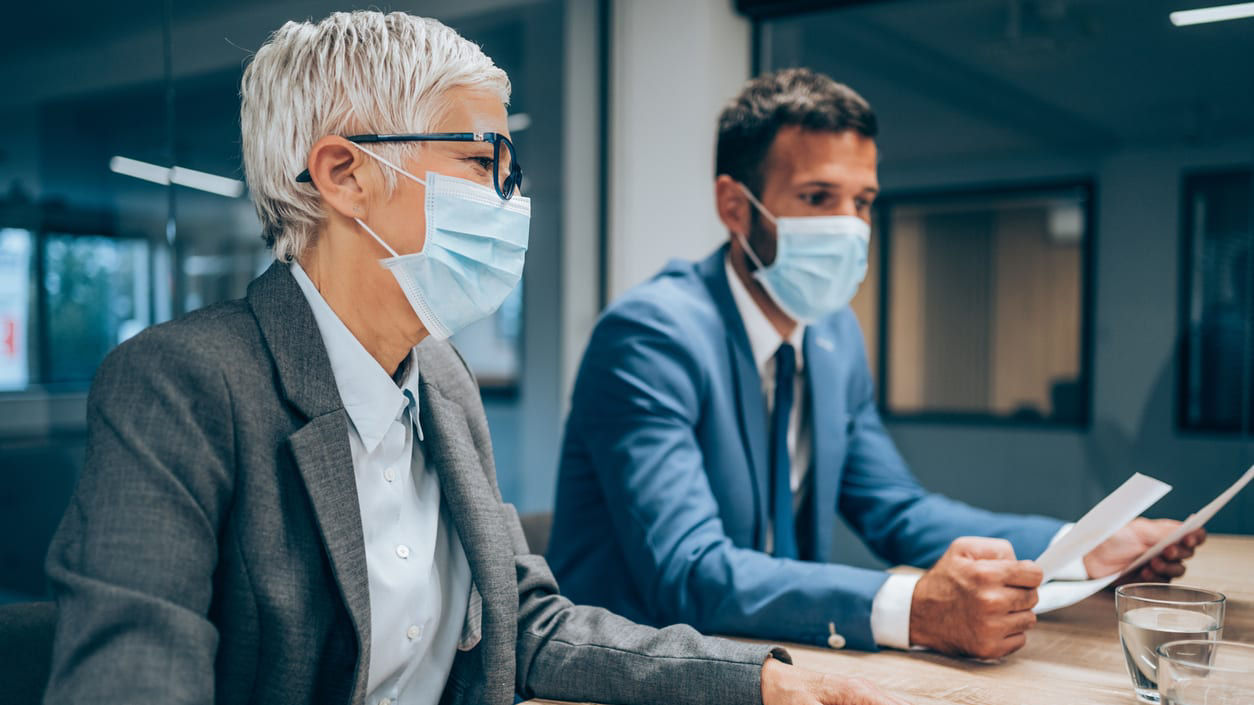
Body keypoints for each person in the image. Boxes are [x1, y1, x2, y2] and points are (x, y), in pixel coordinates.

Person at [41, 16, 909, 705]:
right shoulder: (179, 385)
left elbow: (525, 623)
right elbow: (133, 675)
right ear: (343, 174)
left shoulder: (441, 375)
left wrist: (758, 680)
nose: (512, 200)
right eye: (484, 161)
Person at [547, 68, 1206, 661]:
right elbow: (689, 570)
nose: (849, 225)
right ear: (734, 205)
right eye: (817, 197)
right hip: (632, 672)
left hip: (767, 661)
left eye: (861, 202)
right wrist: (916, 608)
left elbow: (898, 511)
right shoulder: (650, 336)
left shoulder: (833, 338)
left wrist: (1080, 547)